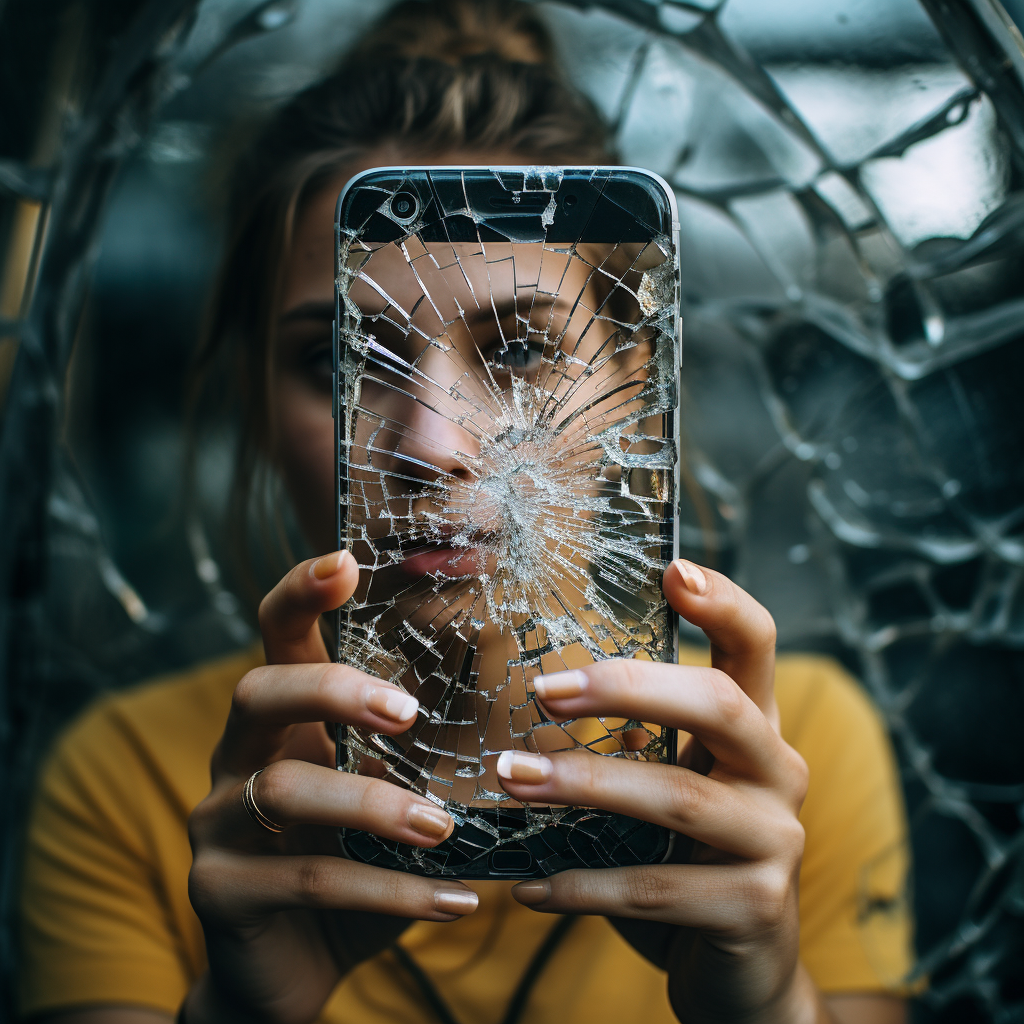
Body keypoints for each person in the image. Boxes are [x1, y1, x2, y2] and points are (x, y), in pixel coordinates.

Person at [18, 2, 914, 1022]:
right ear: (256, 409)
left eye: (523, 351)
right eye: (343, 361)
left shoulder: (781, 760)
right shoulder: (132, 784)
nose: (433, 445)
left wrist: (763, 1005)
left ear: (636, 382)